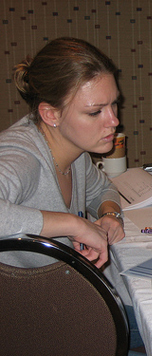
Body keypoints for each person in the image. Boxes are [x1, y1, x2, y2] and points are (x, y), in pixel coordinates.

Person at [0, 37, 124, 267]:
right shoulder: (23, 157)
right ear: (51, 115)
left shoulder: (76, 154)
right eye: (95, 112)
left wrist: (110, 215)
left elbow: (103, 189)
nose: (114, 120)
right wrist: (74, 224)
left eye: (114, 104)